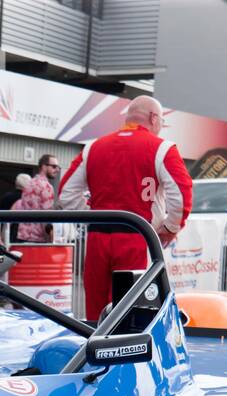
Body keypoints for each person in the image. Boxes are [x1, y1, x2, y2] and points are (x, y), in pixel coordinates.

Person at [57, 96, 192, 321]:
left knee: (95, 311)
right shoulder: (162, 148)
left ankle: (93, 352)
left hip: (98, 237)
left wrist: (92, 214)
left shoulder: (93, 147)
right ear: (153, 118)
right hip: (139, 236)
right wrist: (170, 227)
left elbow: (66, 194)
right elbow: (181, 192)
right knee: (132, 310)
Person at [13, 154, 61, 242]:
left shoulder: (29, 184)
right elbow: (47, 216)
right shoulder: (47, 187)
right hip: (38, 238)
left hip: (22, 235)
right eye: (54, 166)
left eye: (58, 167)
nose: (57, 170)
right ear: (43, 166)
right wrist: (50, 239)